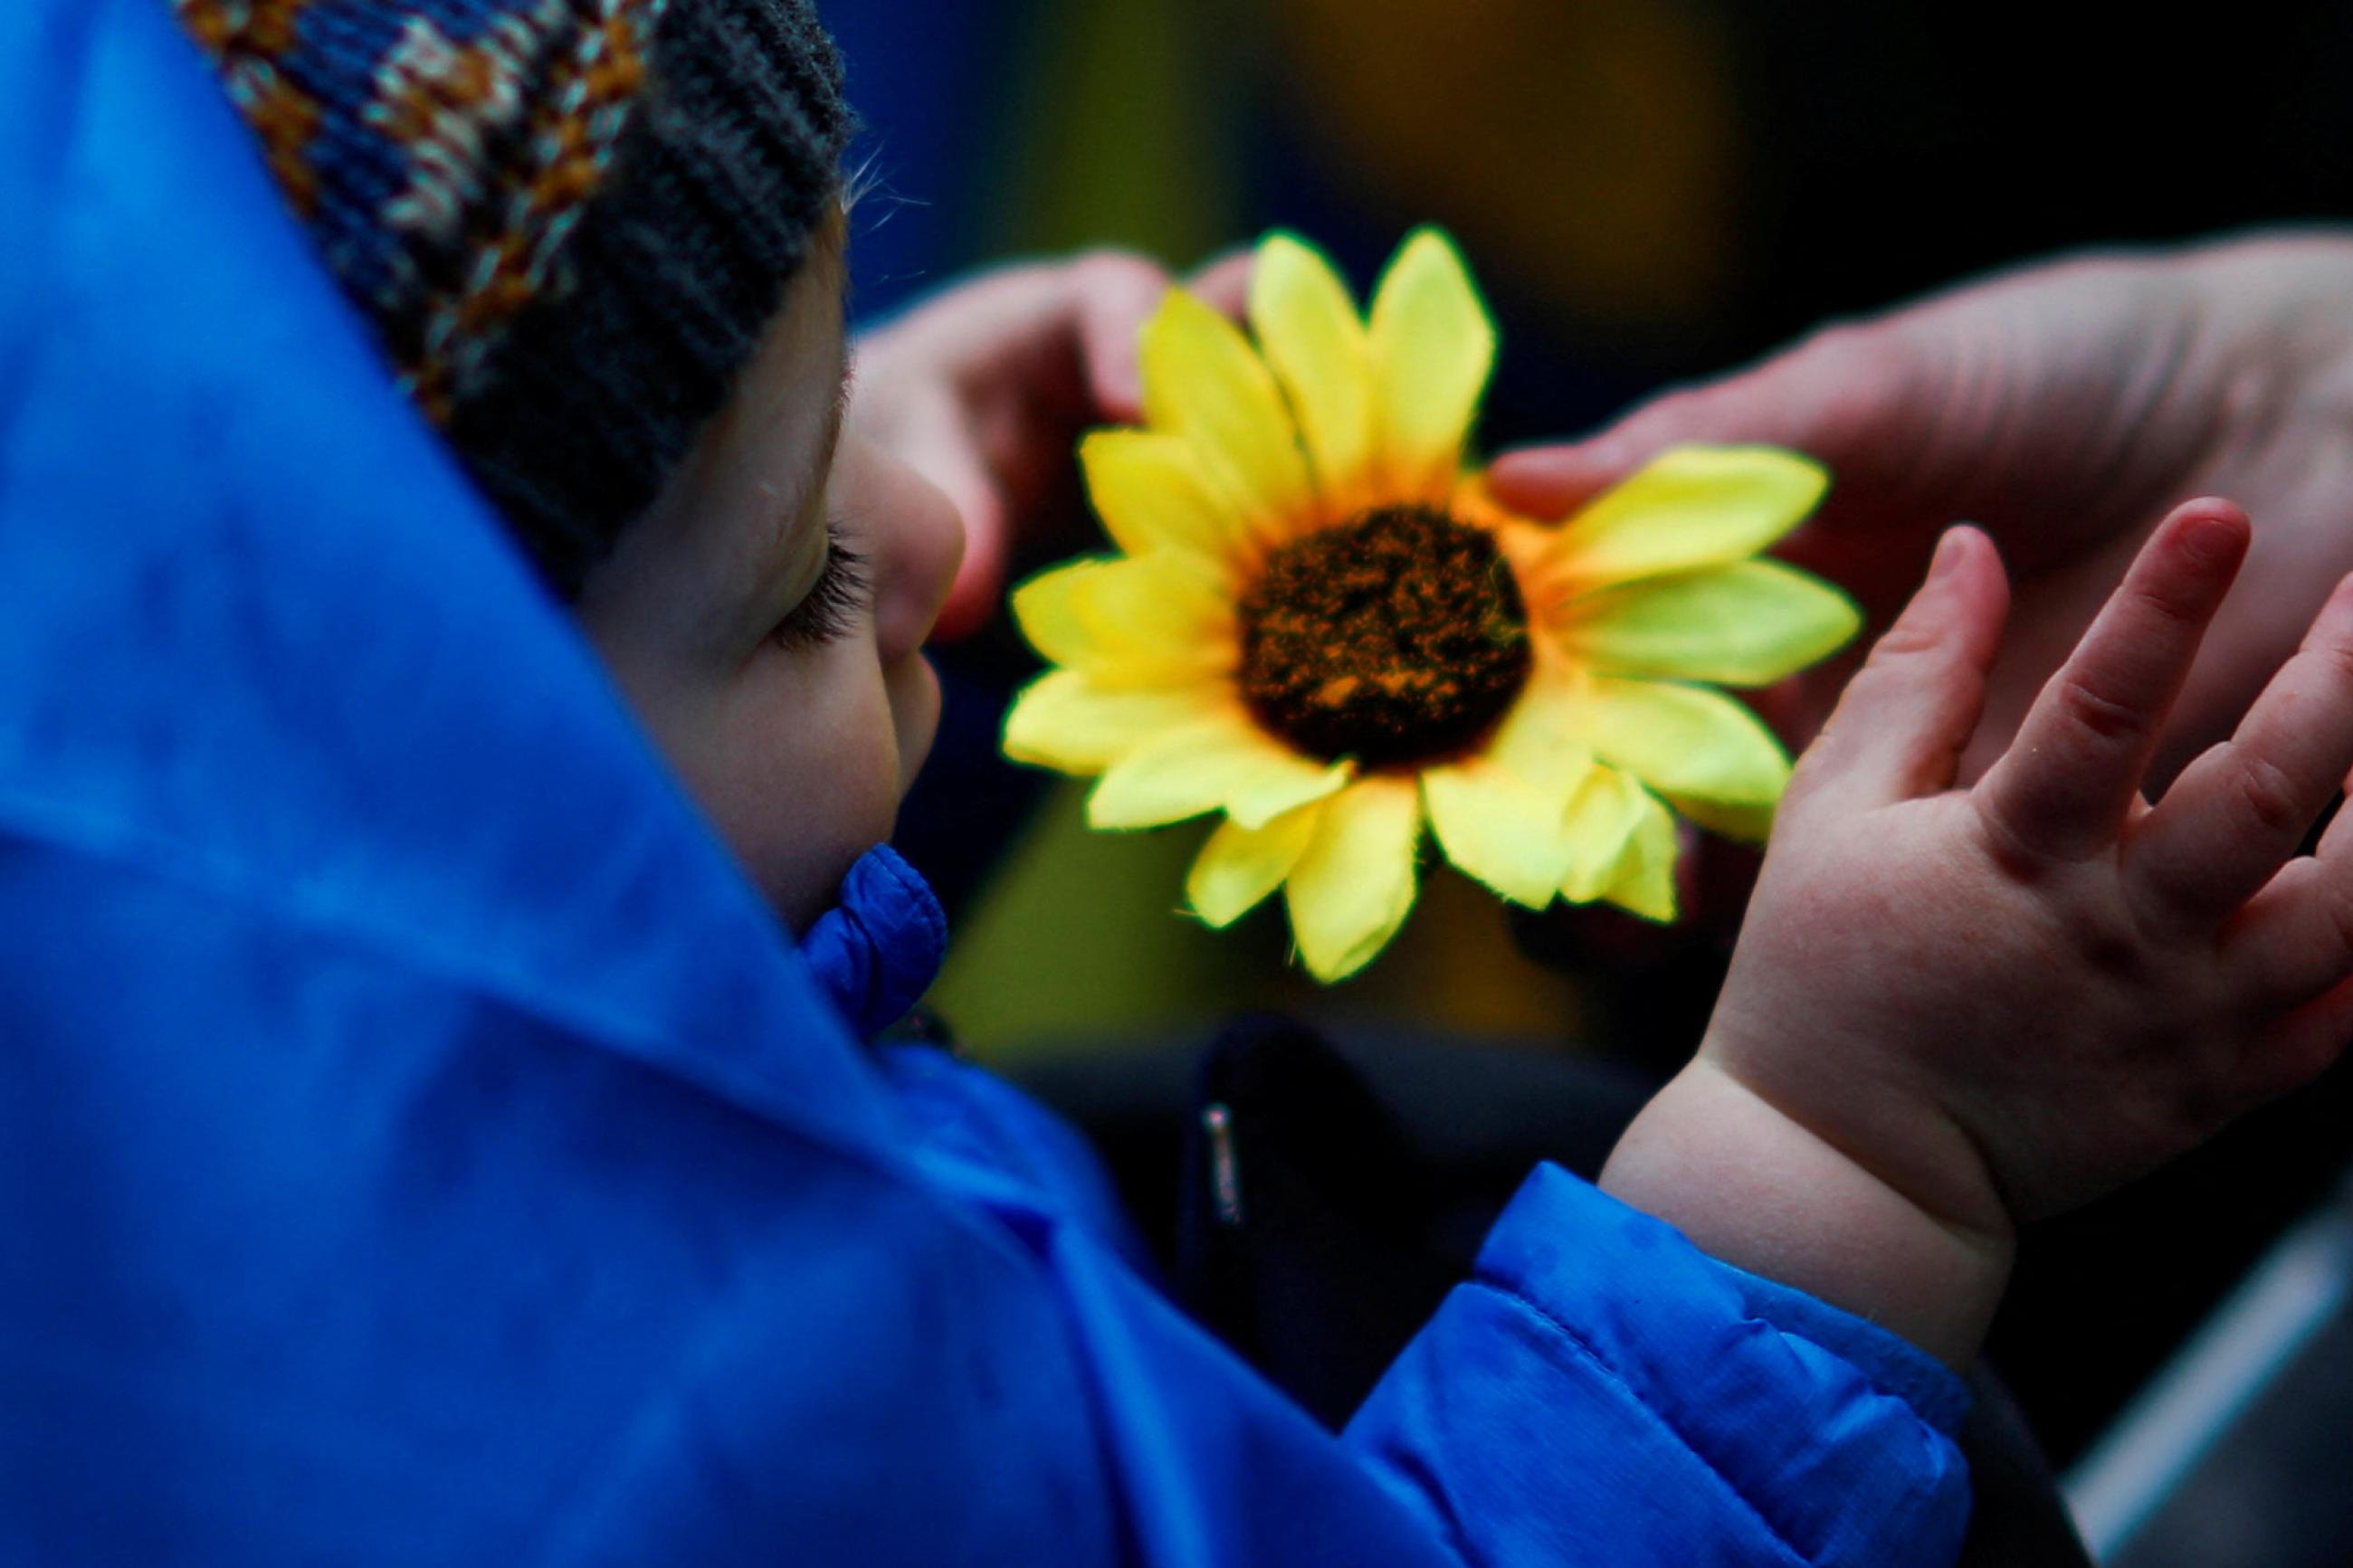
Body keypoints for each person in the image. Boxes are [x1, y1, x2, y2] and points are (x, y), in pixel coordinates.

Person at [5, 7, 2352, 1567]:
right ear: (500, 851)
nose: (932, 532)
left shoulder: (168, 1097)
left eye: (859, 397)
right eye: (811, 573)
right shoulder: (733, 1450)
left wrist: (814, 529)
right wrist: (1845, 1152)